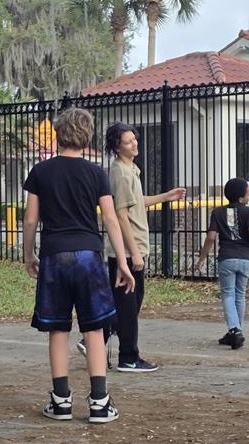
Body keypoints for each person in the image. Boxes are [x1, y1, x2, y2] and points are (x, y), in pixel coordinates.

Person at [23, 108, 135, 424]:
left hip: (54, 255)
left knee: (58, 327)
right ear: (88, 137)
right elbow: (111, 219)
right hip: (89, 256)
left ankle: (61, 402)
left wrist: (28, 254)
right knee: (94, 328)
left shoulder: (40, 172)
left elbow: (31, 219)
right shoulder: (96, 173)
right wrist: (123, 262)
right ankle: (99, 403)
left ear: (58, 133)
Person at [79, 122, 185, 373]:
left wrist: (166, 196)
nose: (134, 144)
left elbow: (136, 202)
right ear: (117, 146)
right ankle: (128, 356)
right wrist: (133, 252)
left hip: (133, 247)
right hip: (126, 250)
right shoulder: (121, 173)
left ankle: (96, 339)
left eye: (135, 139)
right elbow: (121, 214)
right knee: (128, 305)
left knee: (127, 304)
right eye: (128, 141)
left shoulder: (131, 170)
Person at [197, 178, 249, 349]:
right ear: (242, 197)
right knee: (240, 294)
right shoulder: (248, 211)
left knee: (228, 294)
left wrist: (202, 257)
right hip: (244, 258)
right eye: (248, 192)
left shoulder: (218, 212)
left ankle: (234, 330)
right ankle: (236, 331)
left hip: (226, 258)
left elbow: (211, 237)